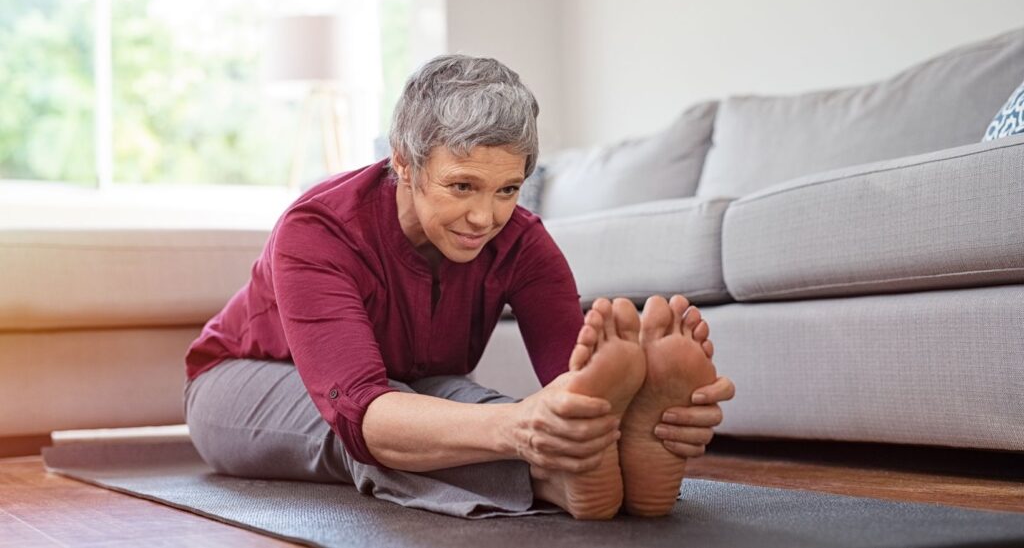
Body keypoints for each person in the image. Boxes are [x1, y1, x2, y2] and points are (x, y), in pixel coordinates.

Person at [183, 54, 736, 520]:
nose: (484, 217)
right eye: (462, 186)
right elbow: (361, 410)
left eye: (507, 189)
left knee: (472, 407)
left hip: (411, 385)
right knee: (386, 433)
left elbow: (576, 384)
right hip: (248, 381)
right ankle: (549, 480)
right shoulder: (318, 230)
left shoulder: (523, 241)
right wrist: (522, 427)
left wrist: (645, 416)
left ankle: (585, 465)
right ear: (404, 163)